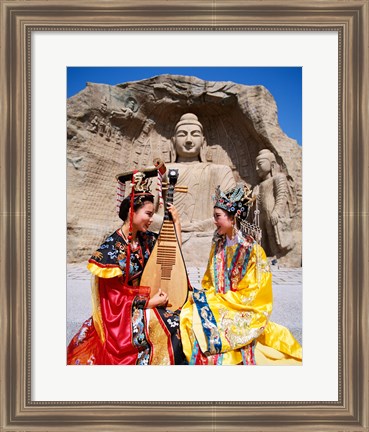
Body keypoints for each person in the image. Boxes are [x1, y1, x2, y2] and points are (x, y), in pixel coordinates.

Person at [67, 172, 186, 365]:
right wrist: (149, 303)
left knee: (184, 314)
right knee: (171, 325)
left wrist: (177, 223)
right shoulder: (111, 250)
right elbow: (113, 300)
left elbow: (174, 254)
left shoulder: (145, 238)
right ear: (132, 212)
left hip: (146, 300)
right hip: (121, 317)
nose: (151, 219)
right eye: (148, 214)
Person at [180, 184, 302, 365]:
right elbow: (209, 279)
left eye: (218, 217)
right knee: (189, 312)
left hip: (241, 308)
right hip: (220, 302)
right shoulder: (219, 244)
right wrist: (209, 295)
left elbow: (255, 294)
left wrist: (221, 300)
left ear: (233, 217)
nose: (214, 221)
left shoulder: (253, 251)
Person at [168, 113, 236, 233]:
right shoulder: (160, 171)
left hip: (206, 236)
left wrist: (198, 227)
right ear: (173, 142)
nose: (188, 140)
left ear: (203, 142)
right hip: (166, 234)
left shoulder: (220, 171)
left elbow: (230, 213)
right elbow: (143, 213)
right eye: (182, 135)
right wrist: (170, 224)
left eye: (195, 135)